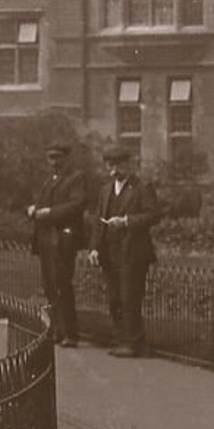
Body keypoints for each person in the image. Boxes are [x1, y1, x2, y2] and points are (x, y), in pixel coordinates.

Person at [87, 145, 163, 358]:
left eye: (118, 165)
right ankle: (121, 338)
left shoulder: (142, 187)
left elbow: (154, 215)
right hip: (110, 254)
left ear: (129, 164)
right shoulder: (105, 190)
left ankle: (133, 342)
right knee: (114, 299)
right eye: (110, 166)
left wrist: (127, 221)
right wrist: (94, 248)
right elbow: (98, 222)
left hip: (133, 252)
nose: (114, 171)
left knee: (130, 298)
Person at [27, 141, 87, 346]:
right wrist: (34, 208)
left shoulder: (75, 179)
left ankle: (70, 333)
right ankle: (56, 331)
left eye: (57, 157)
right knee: (50, 286)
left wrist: (50, 213)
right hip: (46, 239)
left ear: (66, 158)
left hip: (63, 238)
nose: (54, 162)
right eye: (50, 158)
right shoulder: (49, 181)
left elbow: (77, 205)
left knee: (62, 284)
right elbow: (44, 204)